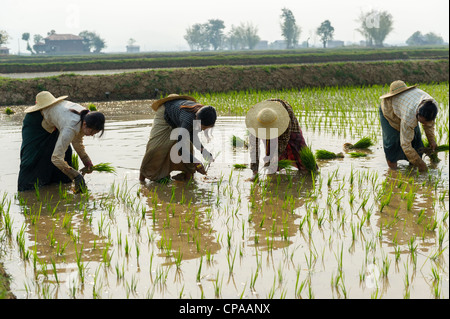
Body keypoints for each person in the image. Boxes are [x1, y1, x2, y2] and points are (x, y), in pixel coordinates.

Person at [18, 91, 105, 192]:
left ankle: (57, 187)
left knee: (66, 154)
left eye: (96, 132)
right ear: (85, 124)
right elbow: (56, 158)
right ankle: (29, 192)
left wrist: (87, 161)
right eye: (92, 131)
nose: (93, 134)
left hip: (54, 125)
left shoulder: (86, 116)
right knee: (34, 156)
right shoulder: (71, 126)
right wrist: (76, 176)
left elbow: (77, 141)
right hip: (36, 125)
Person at [139, 94, 217, 182]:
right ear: (196, 118)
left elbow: (192, 135)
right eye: (201, 126)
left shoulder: (203, 116)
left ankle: (187, 178)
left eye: (205, 128)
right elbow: (180, 145)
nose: (202, 129)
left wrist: (203, 151)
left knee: (189, 148)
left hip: (179, 119)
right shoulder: (189, 118)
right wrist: (196, 161)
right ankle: (142, 180)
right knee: (156, 149)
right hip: (166, 114)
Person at [379, 80, 438, 172]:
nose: (424, 124)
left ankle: (412, 170)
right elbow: (405, 145)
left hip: (405, 107)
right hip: (390, 111)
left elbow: (429, 125)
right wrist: (421, 164)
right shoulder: (409, 116)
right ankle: (393, 172)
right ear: (417, 114)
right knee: (392, 142)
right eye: (422, 121)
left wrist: (432, 141)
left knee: (417, 142)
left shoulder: (432, 107)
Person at [245, 99, 309, 181]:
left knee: (299, 150)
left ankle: (308, 172)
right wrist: (255, 172)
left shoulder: (284, 119)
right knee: (270, 152)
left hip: (288, 124)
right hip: (267, 119)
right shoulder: (254, 125)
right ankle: (272, 173)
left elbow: (283, 141)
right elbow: (254, 149)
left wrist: (275, 156)